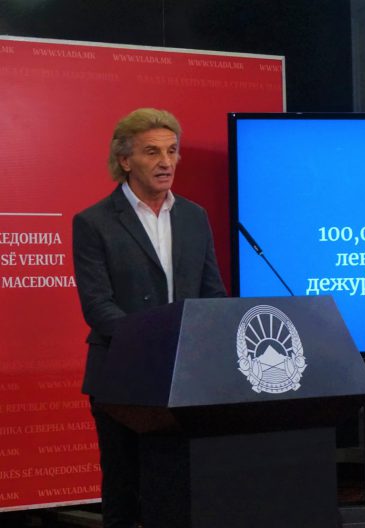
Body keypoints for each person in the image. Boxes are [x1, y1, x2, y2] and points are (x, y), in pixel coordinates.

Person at [72, 108, 226, 528]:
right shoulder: (93, 223)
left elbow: (212, 293)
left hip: (187, 378)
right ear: (125, 160)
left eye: (172, 151)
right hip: (122, 377)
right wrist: (157, 347)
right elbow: (98, 307)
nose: (165, 162)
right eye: (152, 152)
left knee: (180, 489)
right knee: (125, 491)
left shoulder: (193, 216)